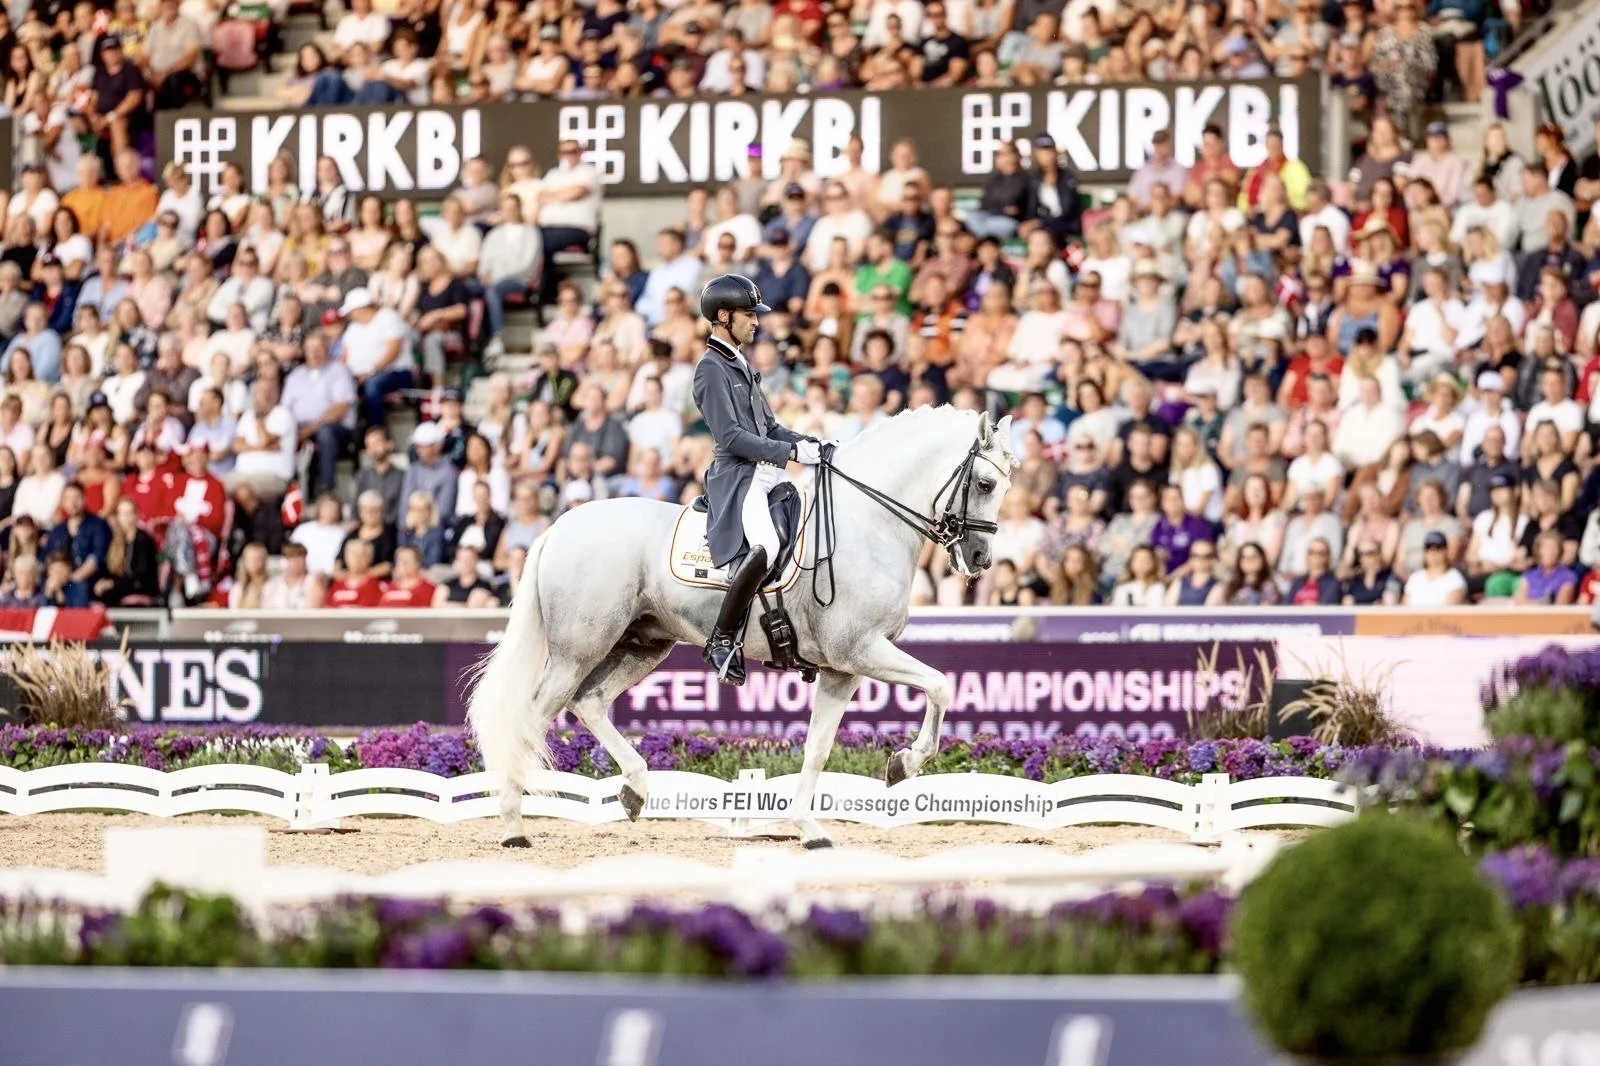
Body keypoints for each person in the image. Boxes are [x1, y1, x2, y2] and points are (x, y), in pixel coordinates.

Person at [693, 273, 822, 685]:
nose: (756, 322)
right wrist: (790, 453)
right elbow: (731, 437)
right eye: (749, 314)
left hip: (767, 474)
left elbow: (771, 427)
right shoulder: (711, 369)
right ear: (723, 316)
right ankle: (722, 640)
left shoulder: (740, 364)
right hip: (739, 477)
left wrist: (814, 445)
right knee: (766, 546)